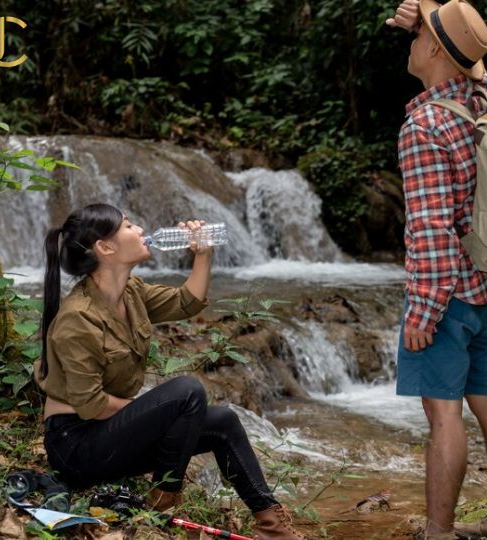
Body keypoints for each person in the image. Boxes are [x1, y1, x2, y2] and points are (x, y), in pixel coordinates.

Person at [35, 204, 305, 540]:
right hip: (77, 446)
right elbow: (92, 406)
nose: (140, 230)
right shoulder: (78, 319)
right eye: (129, 225)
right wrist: (160, 414)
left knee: (222, 421)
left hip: (111, 434)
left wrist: (202, 254)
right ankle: (162, 503)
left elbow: (187, 302)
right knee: (187, 391)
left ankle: (273, 527)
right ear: (106, 248)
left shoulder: (131, 293)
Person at [386, 2, 487, 539]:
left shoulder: (423, 127)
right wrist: (428, 16)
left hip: (444, 298)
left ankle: (439, 533)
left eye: (419, 35)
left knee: (444, 418)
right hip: (481, 288)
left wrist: (423, 312)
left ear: (432, 50)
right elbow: (475, 60)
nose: (410, 41)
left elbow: (430, 234)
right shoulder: (482, 101)